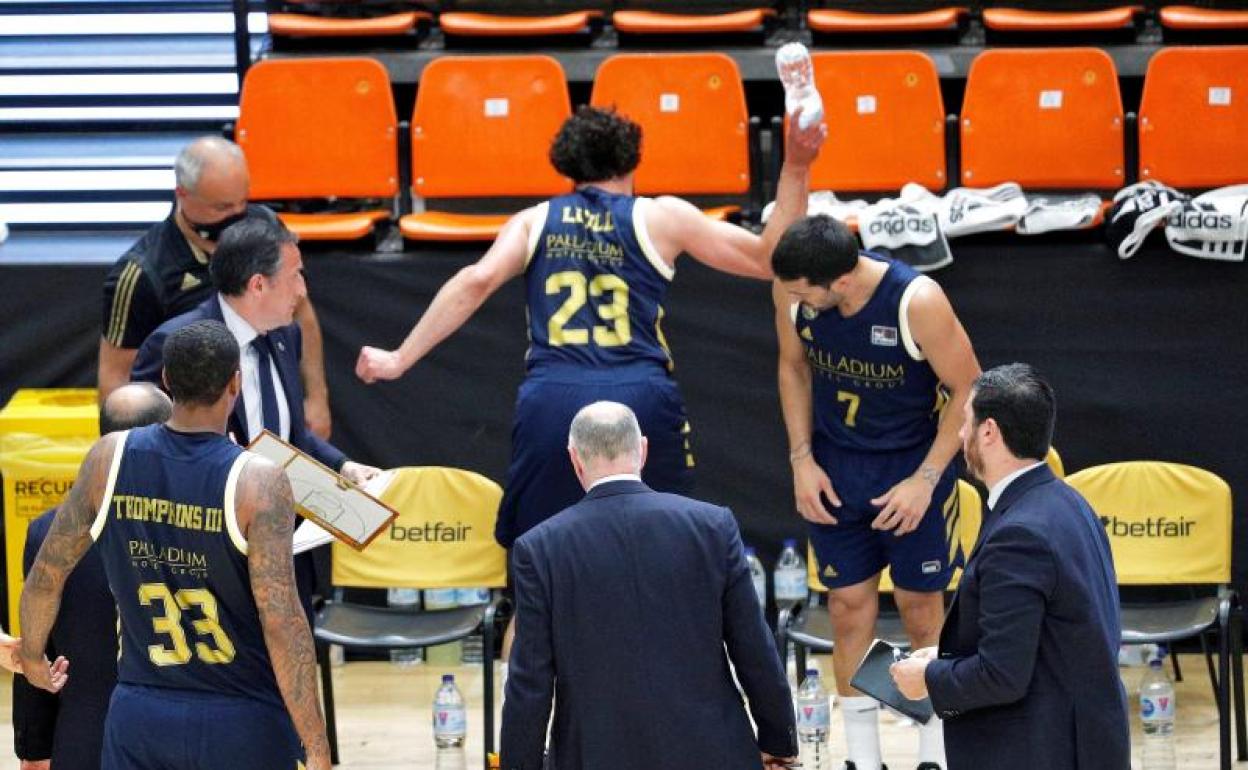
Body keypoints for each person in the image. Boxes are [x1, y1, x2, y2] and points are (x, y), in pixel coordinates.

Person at [357, 106, 824, 555]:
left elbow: (475, 281)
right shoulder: (661, 217)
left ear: (567, 166)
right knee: (661, 556)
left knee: (539, 570)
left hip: (553, 395)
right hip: (639, 393)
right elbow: (770, 260)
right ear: (632, 157)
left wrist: (399, 358)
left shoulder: (534, 220)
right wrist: (797, 165)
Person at [19, 320, 332, 770]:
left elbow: (46, 576)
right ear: (235, 384)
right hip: (238, 713)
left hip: (140, 714)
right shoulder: (258, 481)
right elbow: (282, 622)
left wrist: (32, 657)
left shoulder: (108, 458)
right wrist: (317, 745)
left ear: (166, 381)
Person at [771, 214, 982, 770]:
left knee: (921, 612)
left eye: (801, 293)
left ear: (837, 283)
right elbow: (792, 368)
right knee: (845, 608)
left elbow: (969, 389)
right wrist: (800, 460)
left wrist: (926, 480)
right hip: (835, 471)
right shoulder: (795, 290)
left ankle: (935, 754)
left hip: (913, 471)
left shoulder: (917, 300)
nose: (792, 300)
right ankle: (861, 759)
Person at [500, 401, 797, 770]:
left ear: (575, 459)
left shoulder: (540, 547)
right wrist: (778, 739)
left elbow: (530, 682)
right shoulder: (712, 526)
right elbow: (753, 647)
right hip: (713, 753)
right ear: (642, 449)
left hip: (595, 755)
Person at [889, 364, 1129, 770]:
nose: (960, 434)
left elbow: (1002, 675)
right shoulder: (1069, 503)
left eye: (965, 421)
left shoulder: (1019, 535)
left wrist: (928, 680)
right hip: (1082, 739)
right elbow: (1041, 639)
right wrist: (944, 657)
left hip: (1040, 750)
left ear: (989, 432)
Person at [99, 136, 332, 438]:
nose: (236, 215)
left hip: (271, 421)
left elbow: (301, 312)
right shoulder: (142, 274)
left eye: (242, 201)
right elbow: (117, 382)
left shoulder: (264, 229)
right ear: (182, 194)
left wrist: (316, 397)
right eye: (221, 207)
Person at [12, 383, 172, 770]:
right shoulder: (201, 522)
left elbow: (37, 656)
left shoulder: (48, 531)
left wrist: (32, 750)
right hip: (176, 739)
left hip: (85, 740)